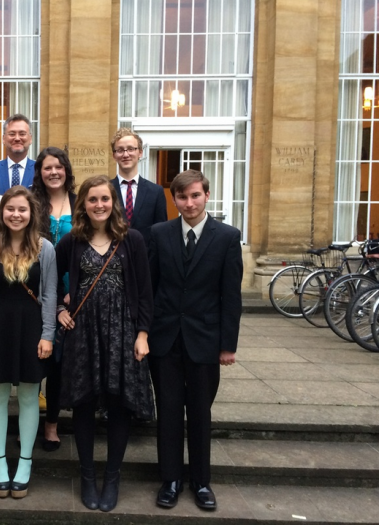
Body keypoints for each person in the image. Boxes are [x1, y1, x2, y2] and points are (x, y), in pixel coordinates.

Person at [55, 175, 154, 513]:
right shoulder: (73, 240)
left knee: (118, 402)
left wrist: (142, 334)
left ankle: (112, 478)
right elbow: (49, 277)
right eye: (92, 199)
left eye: (105, 199)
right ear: (82, 203)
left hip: (122, 330)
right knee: (83, 402)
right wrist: (57, 308)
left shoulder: (132, 240)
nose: (99, 205)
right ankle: (86, 476)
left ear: (114, 203)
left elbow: (144, 291)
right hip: (83, 330)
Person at [148, 169, 243, 511]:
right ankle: (171, 479)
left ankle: (201, 481)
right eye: (182, 197)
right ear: (174, 200)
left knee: (200, 412)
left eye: (195, 196)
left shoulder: (227, 237)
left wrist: (228, 344)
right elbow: (151, 289)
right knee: (169, 411)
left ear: (206, 195)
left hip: (205, 339)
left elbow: (231, 295)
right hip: (166, 339)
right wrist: (145, 332)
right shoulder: (159, 234)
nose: (189, 203)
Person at [0, 186, 57, 499]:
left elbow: (49, 294)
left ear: (31, 213)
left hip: (32, 330)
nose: (16, 215)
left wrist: (48, 334)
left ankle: (24, 463)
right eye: (10, 209)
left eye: (22, 209)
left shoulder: (45, 249)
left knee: (28, 396)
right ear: (2, 213)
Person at [31, 146, 76, 452]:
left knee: (61, 363)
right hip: (37, 291)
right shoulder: (32, 203)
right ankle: (29, 421)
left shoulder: (80, 201)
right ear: (40, 172)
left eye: (58, 167)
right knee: (36, 361)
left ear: (66, 169)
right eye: (47, 168)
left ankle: (51, 424)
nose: (53, 172)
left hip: (75, 292)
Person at [110, 128, 167, 247]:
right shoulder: (106, 190)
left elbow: (161, 233)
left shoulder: (156, 192)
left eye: (131, 149)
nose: (126, 154)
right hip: (112, 260)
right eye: (120, 150)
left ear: (140, 152)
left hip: (145, 261)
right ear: (114, 155)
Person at [0, 114, 35, 195]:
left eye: (22, 134)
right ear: (4, 139)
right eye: (12, 134)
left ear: (30, 139)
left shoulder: (39, 170)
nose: (17, 138)